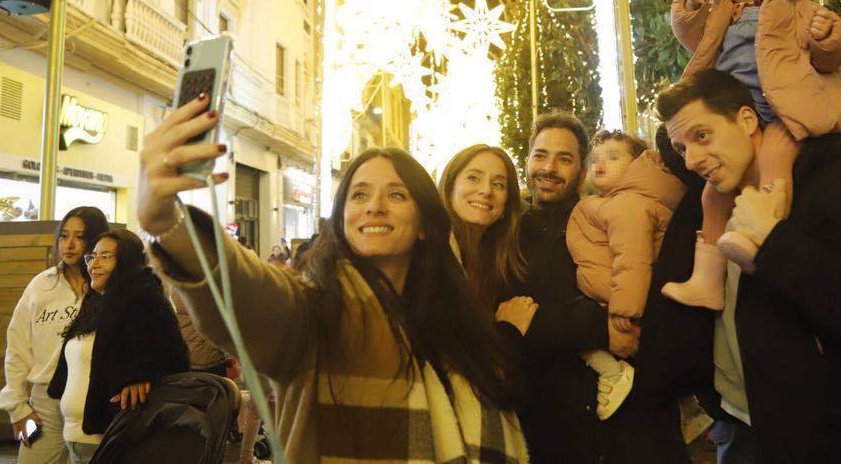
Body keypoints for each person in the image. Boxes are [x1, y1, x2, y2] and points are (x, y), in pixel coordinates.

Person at [136, 103, 527, 463]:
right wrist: (166, 221)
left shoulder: (456, 329)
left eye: (395, 194)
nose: (375, 205)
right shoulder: (310, 311)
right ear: (342, 218)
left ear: (424, 223)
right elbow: (244, 285)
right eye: (359, 194)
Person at [657, 69, 841, 463]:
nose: (692, 159)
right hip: (746, 429)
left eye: (702, 136)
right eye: (680, 147)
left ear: (746, 120)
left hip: (840, 439)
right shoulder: (711, 200)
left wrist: (772, 238)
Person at [499, 112, 715, 463]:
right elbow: (509, 314)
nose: (549, 167)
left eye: (564, 158)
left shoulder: (609, 217)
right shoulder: (509, 235)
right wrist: (603, 329)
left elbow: (655, 293)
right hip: (555, 428)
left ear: (581, 172)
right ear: (526, 162)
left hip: (640, 423)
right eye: (540, 155)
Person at [664, 0, 841, 307]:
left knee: (773, 166)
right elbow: (690, 36)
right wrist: (691, 4)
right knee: (712, 196)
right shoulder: (722, 14)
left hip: (784, 114)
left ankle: (762, 236)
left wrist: (828, 36)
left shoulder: (794, 8)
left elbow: (829, 56)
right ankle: (707, 278)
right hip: (734, 116)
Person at [565, 130, 685, 419]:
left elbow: (633, 258)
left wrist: (624, 309)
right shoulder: (620, 201)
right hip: (613, 294)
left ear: (636, 163)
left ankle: (614, 374)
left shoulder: (628, 203)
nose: (600, 163)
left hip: (620, 303)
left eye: (613, 156)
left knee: (578, 339)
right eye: (594, 159)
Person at [47, 230, 189, 463]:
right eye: (92, 256)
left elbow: (173, 356)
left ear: (128, 262)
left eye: (106, 256)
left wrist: (143, 374)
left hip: (113, 436)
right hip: (74, 434)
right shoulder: (95, 302)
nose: (94, 264)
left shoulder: (146, 300)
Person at [0, 207, 109, 464]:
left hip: (93, 399)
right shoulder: (41, 284)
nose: (69, 245)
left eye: (80, 237)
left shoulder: (107, 286)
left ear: (95, 240)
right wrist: (17, 410)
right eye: (64, 236)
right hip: (42, 403)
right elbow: (17, 347)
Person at [438, 143, 528, 305]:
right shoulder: (431, 251)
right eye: (473, 178)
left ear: (506, 205)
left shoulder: (497, 261)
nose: (486, 191)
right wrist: (508, 327)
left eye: (498, 184)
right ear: (450, 187)